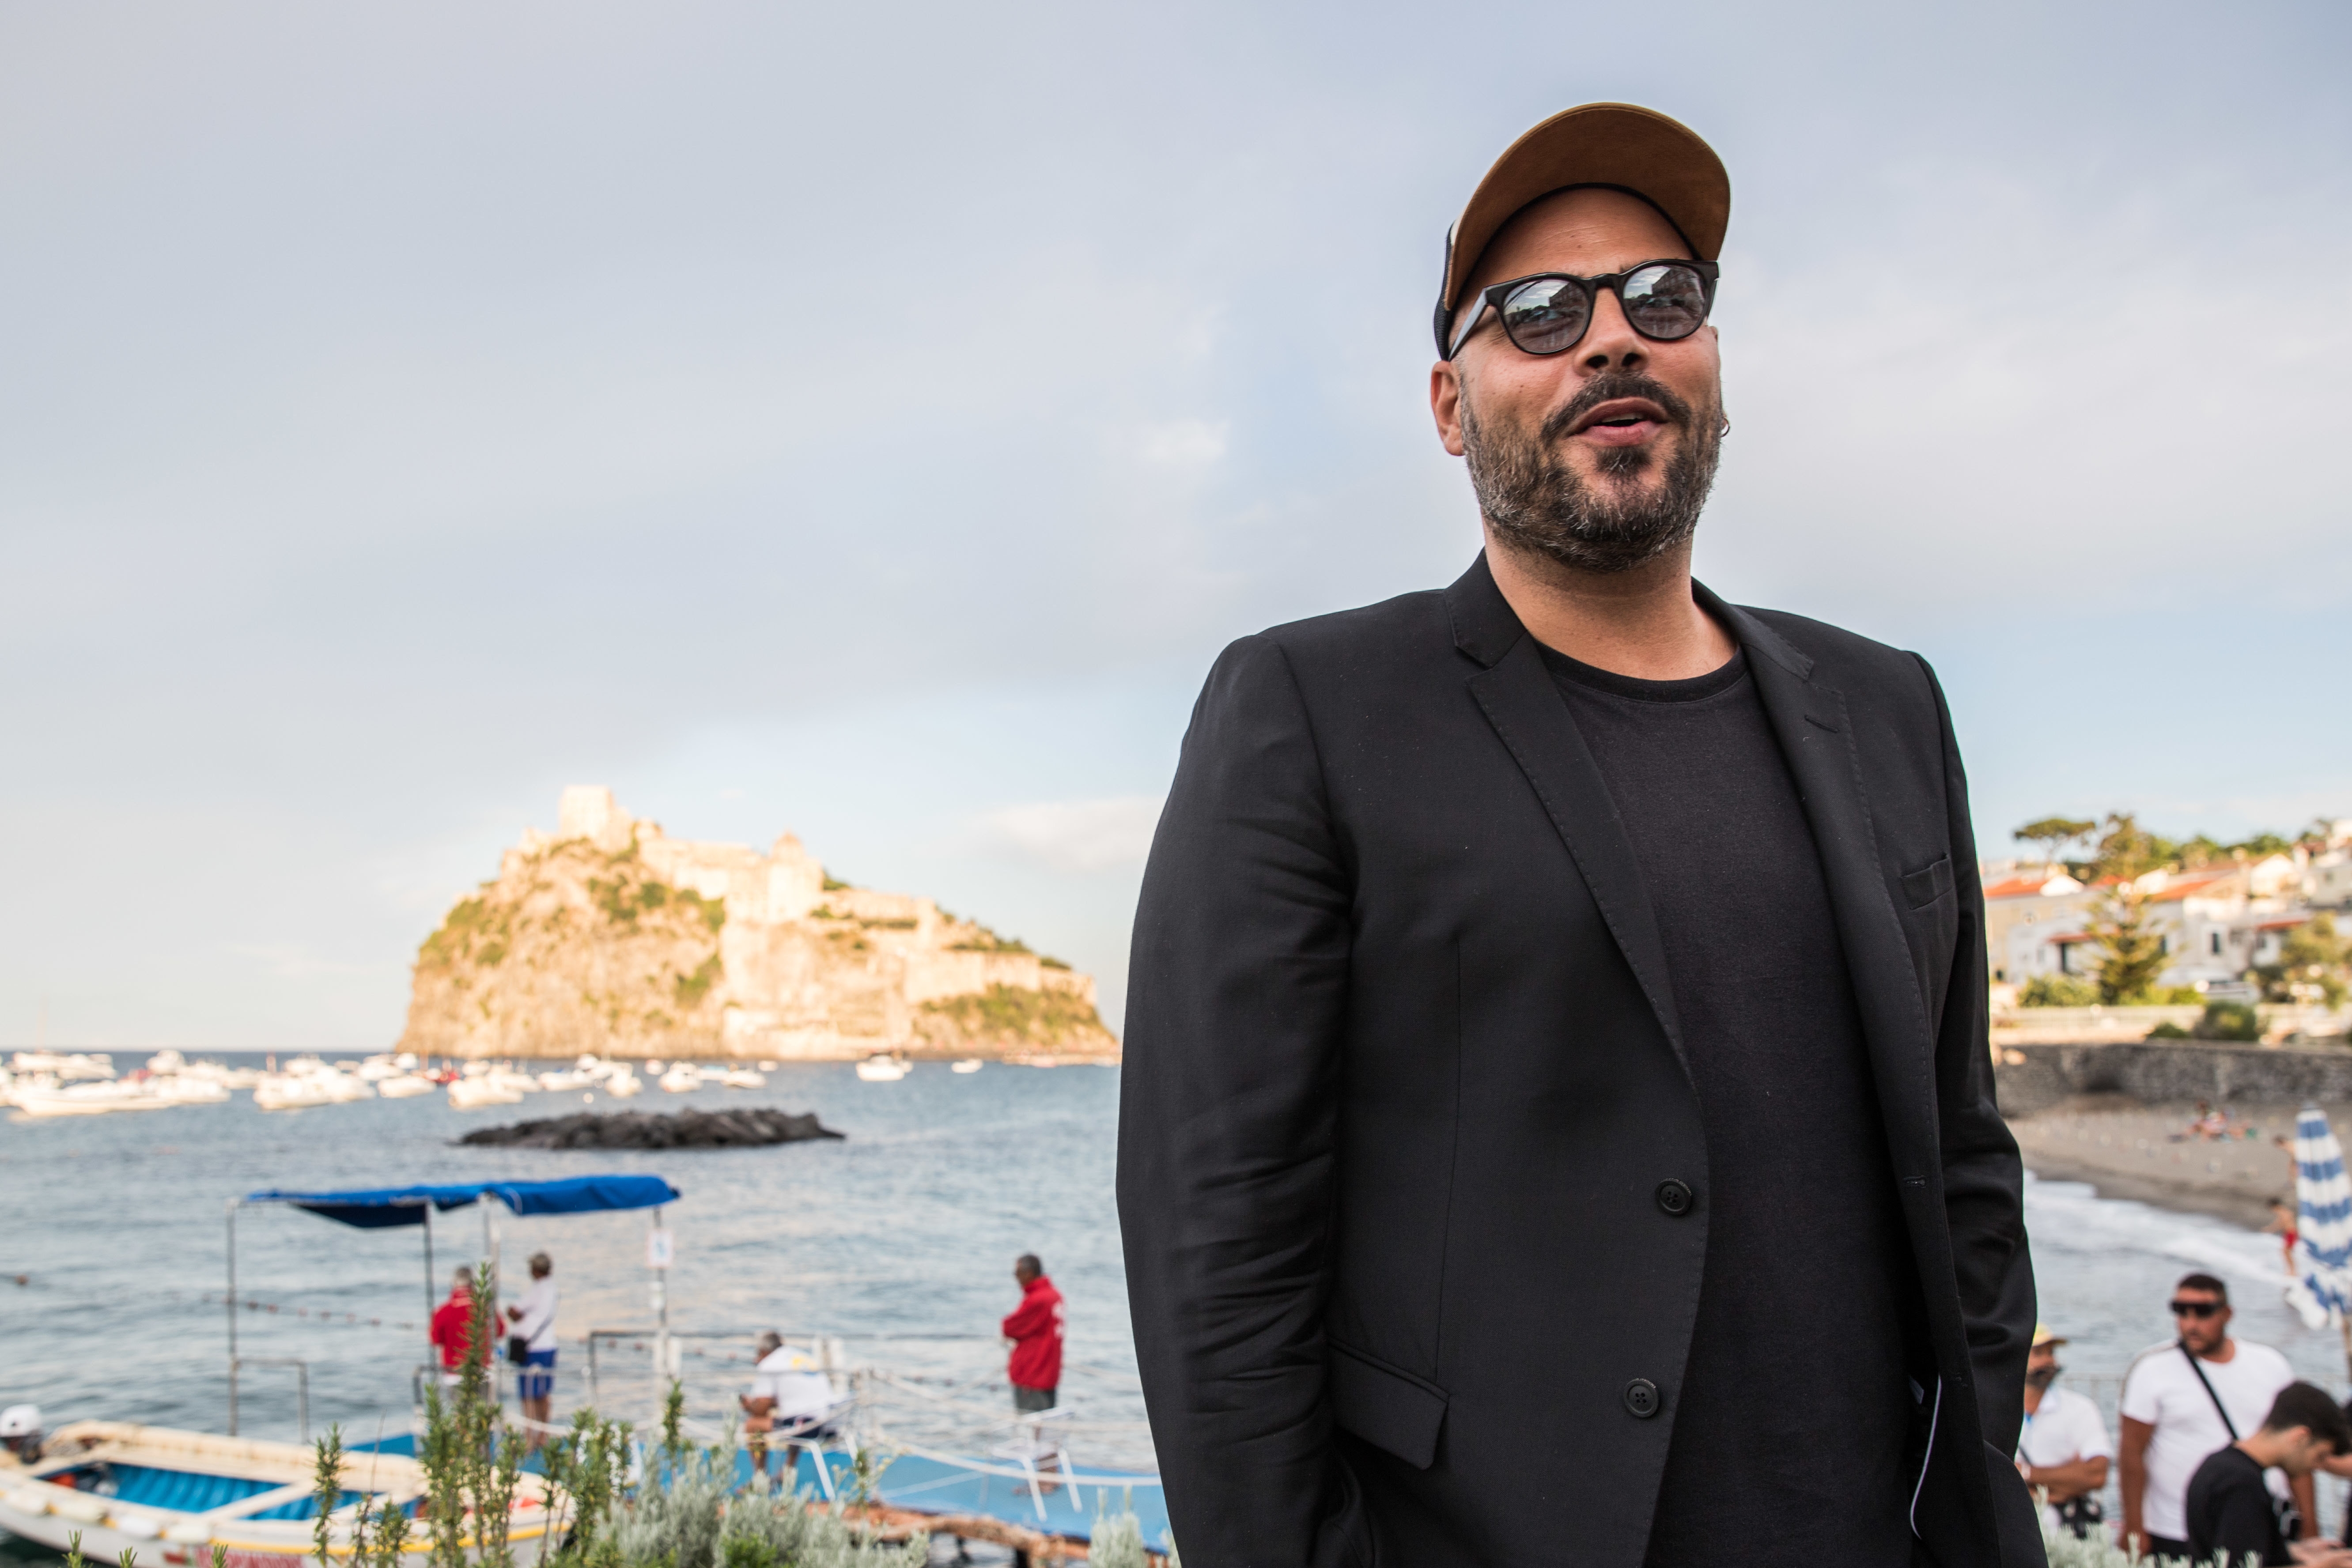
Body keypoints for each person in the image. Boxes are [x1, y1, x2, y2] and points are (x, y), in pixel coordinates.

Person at [1117, 100, 2040, 1568]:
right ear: (1448, 404)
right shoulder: (1306, 708)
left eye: (1660, 296)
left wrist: (1975, 1467)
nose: (1609, 337)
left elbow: (1962, 1154)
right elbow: (1215, 1239)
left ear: (1709, 358)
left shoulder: (1885, 704)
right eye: (1538, 312)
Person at [2120, 1272, 2308, 1559]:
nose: (2191, 1324)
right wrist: (2135, 1527)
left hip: (2257, 1523)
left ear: (2227, 1314)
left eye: (2203, 1312)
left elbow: (2298, 1450)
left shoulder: (2271, 1366)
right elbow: (2132, 1454)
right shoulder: (2152, 1370)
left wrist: (2310, 1525)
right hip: (2174, 1528)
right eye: (2181, 1311)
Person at [2184, 1383, 2352, 1567]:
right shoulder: (2242, 1486)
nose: (2317, 1467)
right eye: (2320, 1456)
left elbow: (2232, 1549)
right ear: (2301, 1438)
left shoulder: (2220, 1465)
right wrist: (2320, 1566)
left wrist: (2289, 1551)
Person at [2017, 1325, 2112, 1538]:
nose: (2048, 1361)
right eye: (2039, 1353)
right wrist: (2062, 1483)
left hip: (2066, 1534)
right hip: (2012, 1533)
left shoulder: (2080, 1409)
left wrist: (2024, 1473)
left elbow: (2096, 1475)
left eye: (2051, 1353)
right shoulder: (1992, 1409)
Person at [740, 1331, 839, 1481]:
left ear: (764, 1351)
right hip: (831, 1423)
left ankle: (761, 1480)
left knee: (753, 1426)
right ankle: (787, 1472)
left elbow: (760, 1410)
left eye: (758, 1354)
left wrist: (748, 1405)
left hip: (808, 1427)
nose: (757, 1359)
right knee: (793, 1417)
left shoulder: (769, 1364)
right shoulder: (802, 1357)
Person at [505, 1251, 559, 1447]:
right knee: (543, 1393)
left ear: (536, 1270)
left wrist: (519, 1317)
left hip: (533, 1348)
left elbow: (513, 1311)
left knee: (528, 1395)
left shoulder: (537, 1290)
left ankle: (530, 1437)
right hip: (548, 1345)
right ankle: (543, 1435)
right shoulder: (552, 1289)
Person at [1001, 1254, 1063, 1412]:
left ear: (1029, 1273)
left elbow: (1010, 1327)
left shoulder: (1038, 1299)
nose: (1016, 1278)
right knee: (1046, 1423)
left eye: (1017, 1273)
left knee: (1030, 1424)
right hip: (1048, 1374)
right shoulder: (1055, 1295)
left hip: (1033, 1375)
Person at [428, 1264, 488, 1386]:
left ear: (454, 1283)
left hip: (454, 1372)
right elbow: (500, 1331)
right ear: (473, 1284)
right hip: (482, 1370)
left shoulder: (442, 1312)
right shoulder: (484, 1308)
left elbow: (435, 1340)